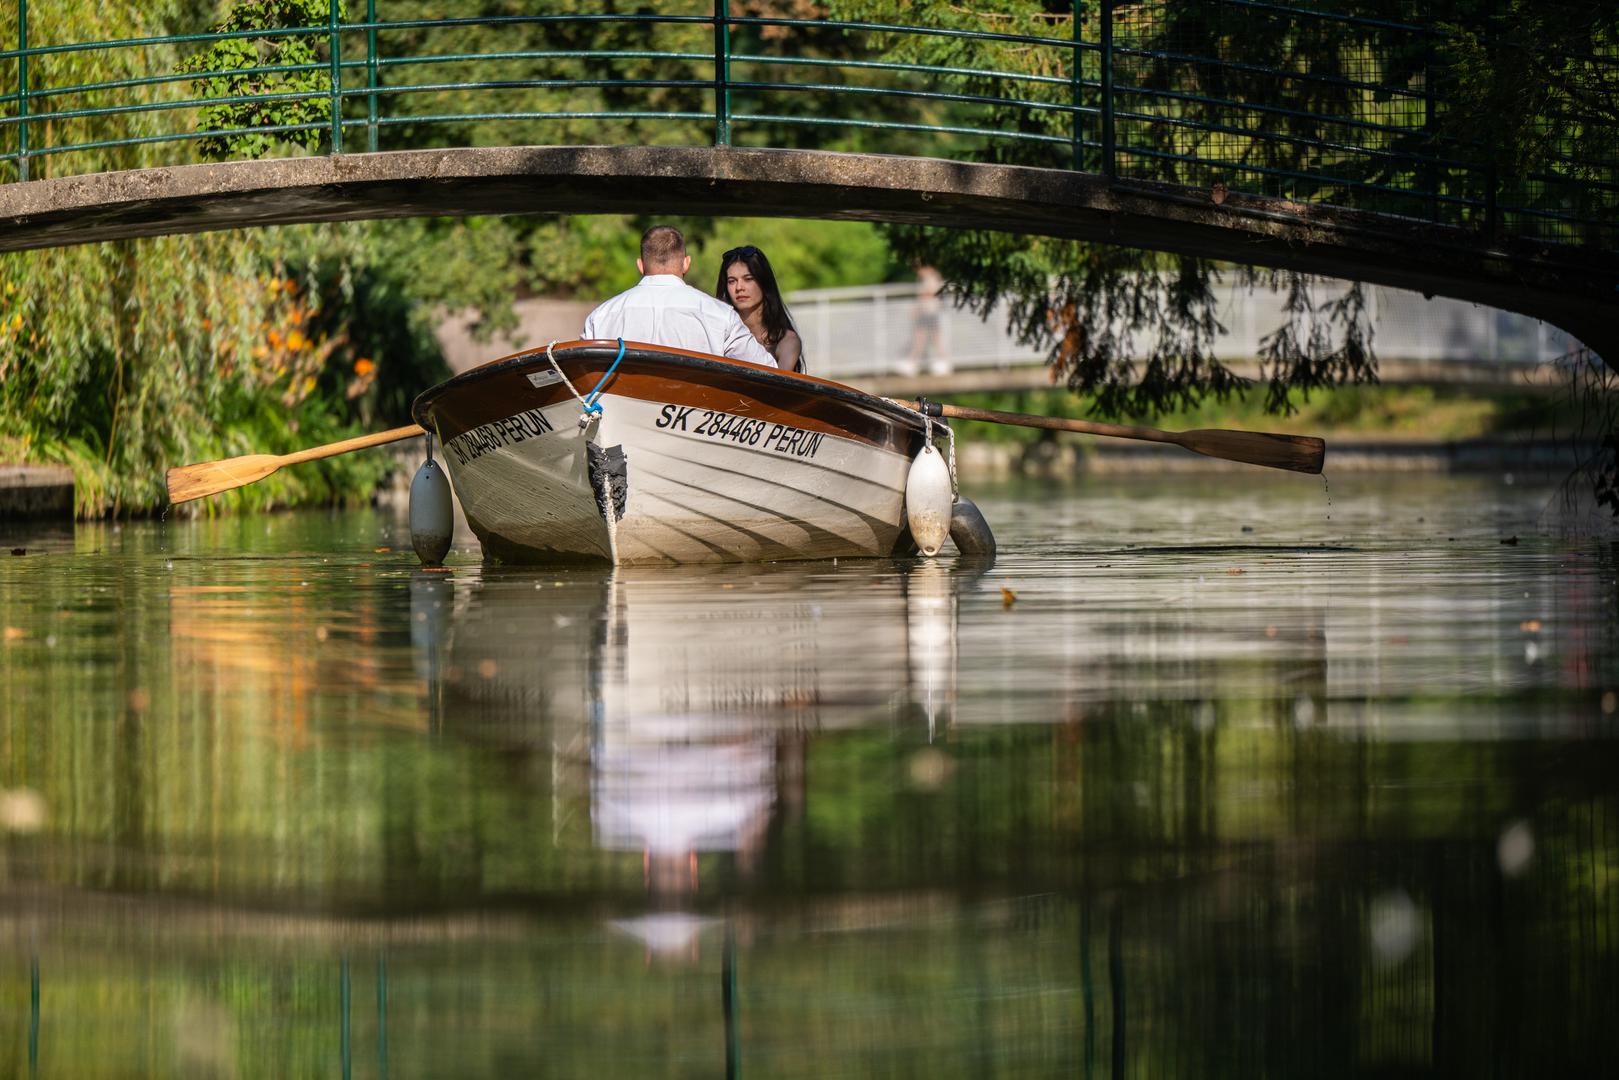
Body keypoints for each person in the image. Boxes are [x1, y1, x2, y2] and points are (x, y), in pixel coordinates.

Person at [582, 225, 776, 367]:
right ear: (686, 264)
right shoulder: (721, 315)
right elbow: (767, 369)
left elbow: (578, 372)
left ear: (640, 265)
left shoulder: (600, 315)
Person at [714, 245, 804, 374]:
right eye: (732, 281)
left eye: (748, 279)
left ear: (764, 282)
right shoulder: (718, 333)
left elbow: (778, 388)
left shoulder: (787, 340)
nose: (739, 287)